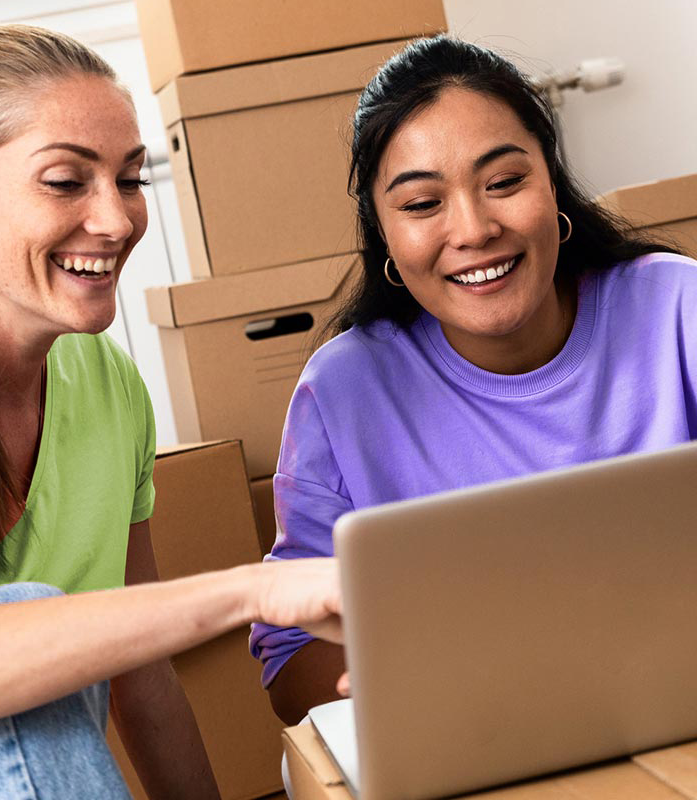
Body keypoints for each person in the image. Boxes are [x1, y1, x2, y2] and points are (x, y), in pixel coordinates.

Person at [0, 24, 343, 799]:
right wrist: (248, 591)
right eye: (68, 181)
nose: (116, 220)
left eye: (130, 179)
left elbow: (142, 677)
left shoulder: (106, 387)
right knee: (11, 638)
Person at [250, 34, 696, 726]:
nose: (474, 229)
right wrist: (401, 678)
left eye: (505, 183)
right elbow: (289, 664)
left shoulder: (676, 308)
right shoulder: (344, 391)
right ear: (385, 234)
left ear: (552, 183)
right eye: (422, 203)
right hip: (482, 740)